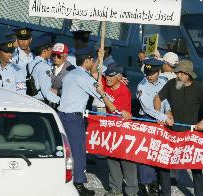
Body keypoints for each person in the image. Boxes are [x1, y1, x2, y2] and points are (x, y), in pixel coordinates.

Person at [154, 59, 203, 196]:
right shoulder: (172, 84)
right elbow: (157, 99)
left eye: (180, 73)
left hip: (191, 133)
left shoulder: (199, 88)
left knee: (196, 167)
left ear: (187, 74)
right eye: (177, 72)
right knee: (165, 164)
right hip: (171, 132)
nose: (177, 76)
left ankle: (199, 194)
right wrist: (160, 115)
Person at [57, 47, 105, 196]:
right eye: (92, 61)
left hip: (62, 115)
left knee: (65, 150)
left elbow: (93, 73)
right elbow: (98, 93)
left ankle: (64, 180)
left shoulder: (70, 74)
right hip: (73, 118)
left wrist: (98, 58)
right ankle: (78, 183)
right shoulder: (84, 77)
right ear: (87, 60)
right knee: (78, 151)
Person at [95, 64, 139, 196]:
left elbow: (113, 108)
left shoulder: (124, 91)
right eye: (107, 74)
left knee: (127, 162)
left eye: (111, 75)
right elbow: (94, 72)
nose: (107, 77)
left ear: (119, 77)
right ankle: (115, 189)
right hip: (111, 129)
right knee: (112, 160)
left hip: (123, 131)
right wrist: (99, 56)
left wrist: (102, 94)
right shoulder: (106, 82)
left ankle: (132, 191)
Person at [137, 58, 173, 196]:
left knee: (158, 151)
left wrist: (168, 111)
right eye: (147, 72)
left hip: (163, 119)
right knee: (147, 152)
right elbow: (147, 108)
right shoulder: (142, 86)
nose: (148, 75)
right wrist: (163, 117)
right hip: (149, 119)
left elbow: (166, 99)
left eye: (151, 73)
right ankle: (146, 184)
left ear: (158, 71)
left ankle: (154, 183)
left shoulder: (164, 81)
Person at [28, 35, 59, 104]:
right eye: (51, 49)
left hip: (29, 100)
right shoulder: (44, 67)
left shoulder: (29, 64)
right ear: (44, 51)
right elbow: (46, 92)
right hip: (40, 103)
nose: (53, 52)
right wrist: (59, 101)